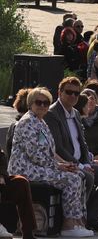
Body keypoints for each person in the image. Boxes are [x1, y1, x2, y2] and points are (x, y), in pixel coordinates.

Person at [8, 86, 92, 238]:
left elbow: (50, 152)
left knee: (78, 174)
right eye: (38, 102)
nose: (42, 106)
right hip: (26, 168)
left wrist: (65, 164)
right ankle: (68, 225)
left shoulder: (41, 122)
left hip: (39, 166)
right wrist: (59, 167)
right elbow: (36, 155)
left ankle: (78, 221)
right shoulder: (28, 122)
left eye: (46, 103)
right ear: (30, 103)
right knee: (71, 179)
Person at [44, 78, 98, 234]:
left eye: (76, 93)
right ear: (59, 93)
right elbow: (58, 147)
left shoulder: (75, 113)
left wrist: (87, 161)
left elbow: (82, 144)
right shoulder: (53, 114)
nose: (73, 96)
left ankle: (91, 218)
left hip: (81, 162)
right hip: (65, 164)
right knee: (87, 176)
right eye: (68, 92)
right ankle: (77, 220)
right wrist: (80, 166)